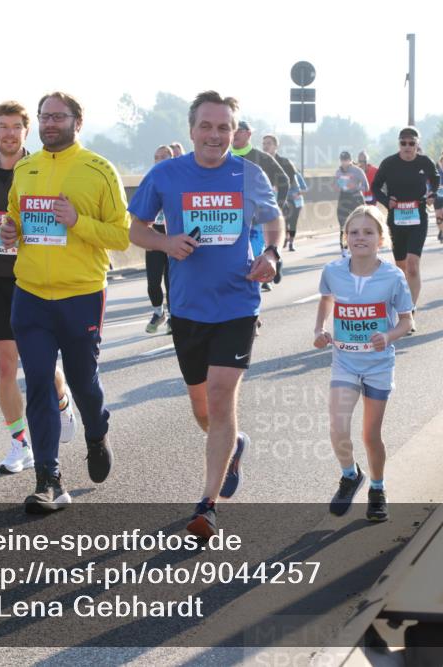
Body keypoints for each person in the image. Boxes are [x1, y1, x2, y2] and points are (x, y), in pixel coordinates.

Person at [127, 90, 283, 540]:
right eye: (207, 126)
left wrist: (271, 252)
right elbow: (136, 228)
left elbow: (274, 221)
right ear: (192, 130)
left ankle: (207, 505)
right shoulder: (166, 174)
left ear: (234, 133)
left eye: (224, 128)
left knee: (219, 395)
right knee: (203, 408)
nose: (215, 135)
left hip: (237, 302)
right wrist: (165, 243)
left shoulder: (249, 174)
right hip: (189, 307)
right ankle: (233, 446)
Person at [0, 91, 131, 513]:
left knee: (82, 382)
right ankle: (49, 480)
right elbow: (15, 218)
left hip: (81, 294)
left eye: (58, 116)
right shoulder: (27, 167)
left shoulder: (98, 169)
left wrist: (78, 221)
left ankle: (96, 429)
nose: (50, 123)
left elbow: (122, 235)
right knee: (37, 381)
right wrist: (10, 231)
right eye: (44, 116)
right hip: (31, 294)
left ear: (77, 120)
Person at [0, 101, 77, 475]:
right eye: (3, 126)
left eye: (17, 126)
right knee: (5, 364)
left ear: (26, 132)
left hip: (36, 277)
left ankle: (62, 401)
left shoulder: (41, 168)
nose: (9, 133)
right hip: (0, 277)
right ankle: (20, 444)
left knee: (42, 364)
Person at [313, 205, 412, 522]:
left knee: (370, 435)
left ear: (381, 239)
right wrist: (319, 330)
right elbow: (326, 299)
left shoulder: (393, 276)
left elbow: (407, 321)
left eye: (368, 232)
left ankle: (378, 488)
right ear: (345, 238)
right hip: (344, 361)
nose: (360, 238)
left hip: (378, 366)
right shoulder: (333, 271)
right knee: (338, 427)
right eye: (354, 232)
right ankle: (349, 474)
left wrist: (390, 335)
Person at [370, 127, 439, 332]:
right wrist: (385, 200)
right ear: (399, 144)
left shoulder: (424, 162)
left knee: (412, 265)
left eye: (411, 143)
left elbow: (435, 179)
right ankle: (402, 307)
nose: (407, 147)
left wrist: (432, 194)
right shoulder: (389, 163)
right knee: (400, 269)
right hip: (397, 220)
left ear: (417, 144)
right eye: (403, 143)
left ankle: (410, 311)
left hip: (418, 217)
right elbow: (375, 186)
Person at [231, 120, 288, 292]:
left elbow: (284, 181)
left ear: (248, 134)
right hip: (230, 219)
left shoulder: (262, 158)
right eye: (233, 129)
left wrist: (274, 208)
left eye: (239, 130)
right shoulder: (222, 157)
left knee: (251, 261)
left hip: (256, 221)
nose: (235, 133)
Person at [144, 145, 174, 333]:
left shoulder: (179, 179)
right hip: (155, 237)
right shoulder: (150, 180)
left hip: (173, 238)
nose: (159, 159)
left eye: (163, 156)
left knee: (171, 281)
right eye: (156, 157)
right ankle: (158, 312)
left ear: (171, 158)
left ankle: (173, 316)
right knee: (153, 282)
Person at [263, 134, 303, 253]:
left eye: (269, 143)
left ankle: (287, 242)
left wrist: (279, 186)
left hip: (286, 198)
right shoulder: (259, 161)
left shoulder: (285, 162)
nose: (265, 146)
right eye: (264, 144)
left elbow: (292, 180)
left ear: (276, 146)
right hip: (267, 200)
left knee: (289, 221)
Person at [335, 151, 369, 255]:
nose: (344, 162)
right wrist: (338, 186)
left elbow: (366, 186)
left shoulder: (357, 170)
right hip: (344, 198)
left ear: (350, 160)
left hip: (356, 198)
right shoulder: (338, 172)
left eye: (346, 160)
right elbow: (338, 186)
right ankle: (344, 250)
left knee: (361, 224)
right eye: (342, 160)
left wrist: (355, 187)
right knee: (343, 225)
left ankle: (364, 246)